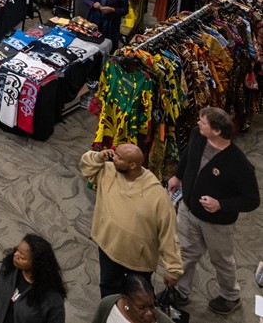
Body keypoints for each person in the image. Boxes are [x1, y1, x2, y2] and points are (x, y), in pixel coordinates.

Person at [168, 106, 259, 315]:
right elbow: (187, 156)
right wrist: (177, 176)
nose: (198, 123)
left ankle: (230, 296)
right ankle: (181, 290)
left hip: (217, 223)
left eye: (203, 122)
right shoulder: (197, 135)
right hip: (188, 210)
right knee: (185, 252)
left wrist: (221, 204)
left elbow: (252, 200)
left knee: (221, 260)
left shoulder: (238, 163)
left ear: (217, 131)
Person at [80, 144, 182, 297]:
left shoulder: (156, 194)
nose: (113, 157)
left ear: (132, 165)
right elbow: (86, 166)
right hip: (108, 247)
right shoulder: (107, 171)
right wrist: (98, 157)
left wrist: (173, 269)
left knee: (138, 296)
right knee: (108, 288)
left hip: (138, 260)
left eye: (118, 157)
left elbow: (168, 232)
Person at [0, 234, 67, 323]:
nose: (15, 255)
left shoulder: (52, 298)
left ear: (36, 264)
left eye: (22, 257)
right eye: (17, 250)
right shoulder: (9, 268)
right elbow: (0, 282)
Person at [88, 273, 172, 323]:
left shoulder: (162, 320)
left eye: (151, 306)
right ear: (127, 300)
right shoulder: (108, 305)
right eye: (141, 308)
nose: (149, 313)